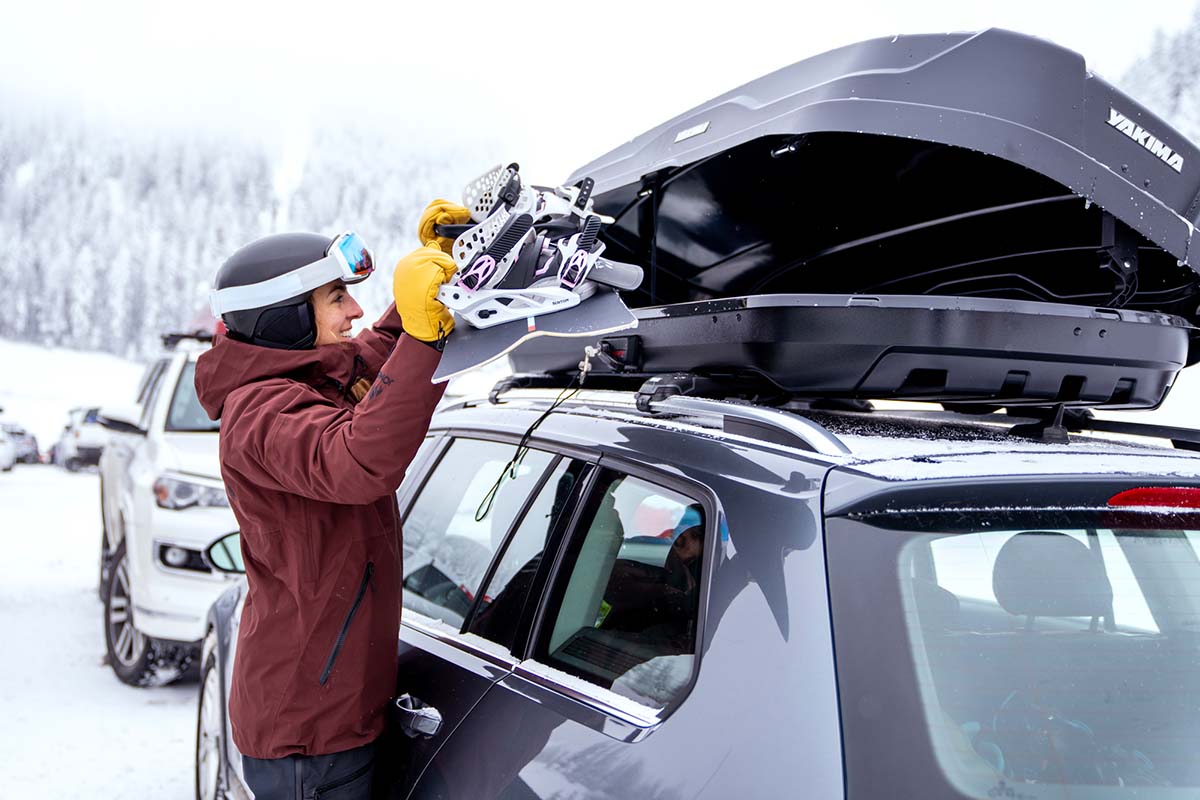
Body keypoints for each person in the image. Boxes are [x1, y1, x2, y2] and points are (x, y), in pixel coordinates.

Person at [194, 200, 471, 799]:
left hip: (330, 711)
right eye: (335, 299)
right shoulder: (259, 414)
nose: (355, 310)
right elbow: (356, 461)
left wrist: (443, 272)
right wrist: (425, 338)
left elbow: (383, 352)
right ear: (284, 319)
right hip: (308, 734)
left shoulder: (315, 381)